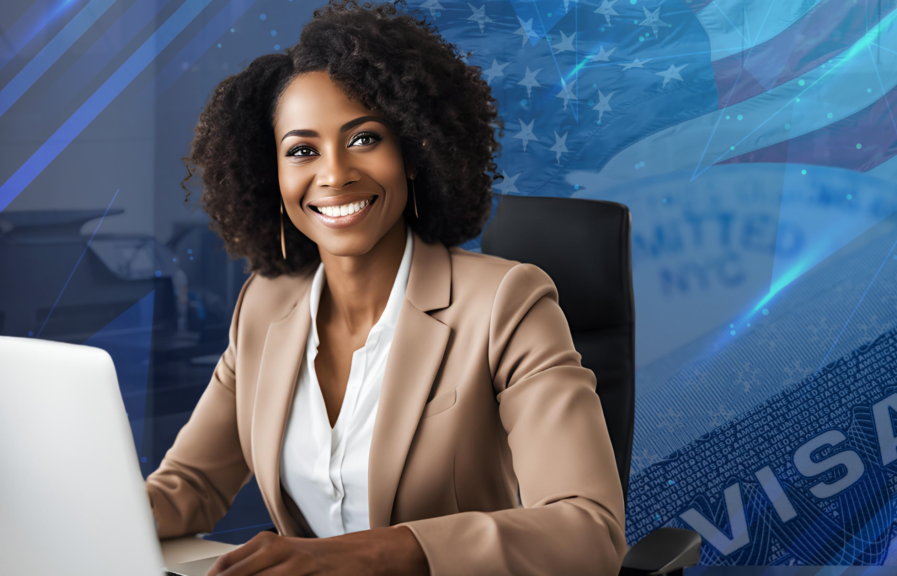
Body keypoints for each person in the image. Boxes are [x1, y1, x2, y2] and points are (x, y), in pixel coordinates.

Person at [145, 0, 627, 574]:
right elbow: (189, 487)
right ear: (271, 175)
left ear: (415, 153)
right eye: (302, 150)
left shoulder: (507, 304)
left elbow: (588, 529)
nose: (333, 174)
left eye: (364, 139)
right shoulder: (263, 306)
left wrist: (374, 553)